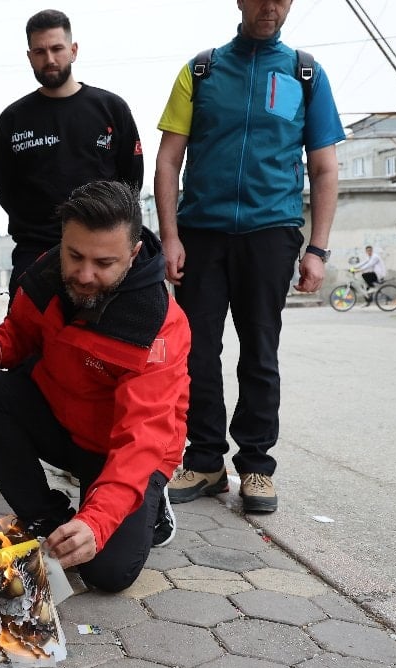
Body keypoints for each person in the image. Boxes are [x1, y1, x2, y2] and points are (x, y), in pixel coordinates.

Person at [0, 181, 190, 593]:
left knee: (107, 574)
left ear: (133, 254)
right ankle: (45, 518)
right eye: (75, 256)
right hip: (64, 423)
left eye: (104, 263)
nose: (84, 275)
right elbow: (19, 332)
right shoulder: (47, 275)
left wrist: (95, 522)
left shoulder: (158, 327)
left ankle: (151, 501)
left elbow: (141, 440)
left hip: (124, 451)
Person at [154, 0, 345, 513]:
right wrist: (170, 236)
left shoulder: (305, 74)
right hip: (202, 234)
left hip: (270, 233)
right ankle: (205, 459)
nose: (270, 6)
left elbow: (324, 168)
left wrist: (317, 247)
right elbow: (169, 159)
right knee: (197, 351)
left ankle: (257, 466)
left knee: (260, 352)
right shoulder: (202, 70)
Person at [0, 9, 144, 301]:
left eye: (57, 48)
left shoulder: (112, 109)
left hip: (101, 253)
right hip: (36, 252)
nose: (49, 59)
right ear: (29, 56)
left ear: (73, 50)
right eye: (40, 51)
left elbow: (131, 183)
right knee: (28, 330)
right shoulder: (13, 119)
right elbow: (6, 191)